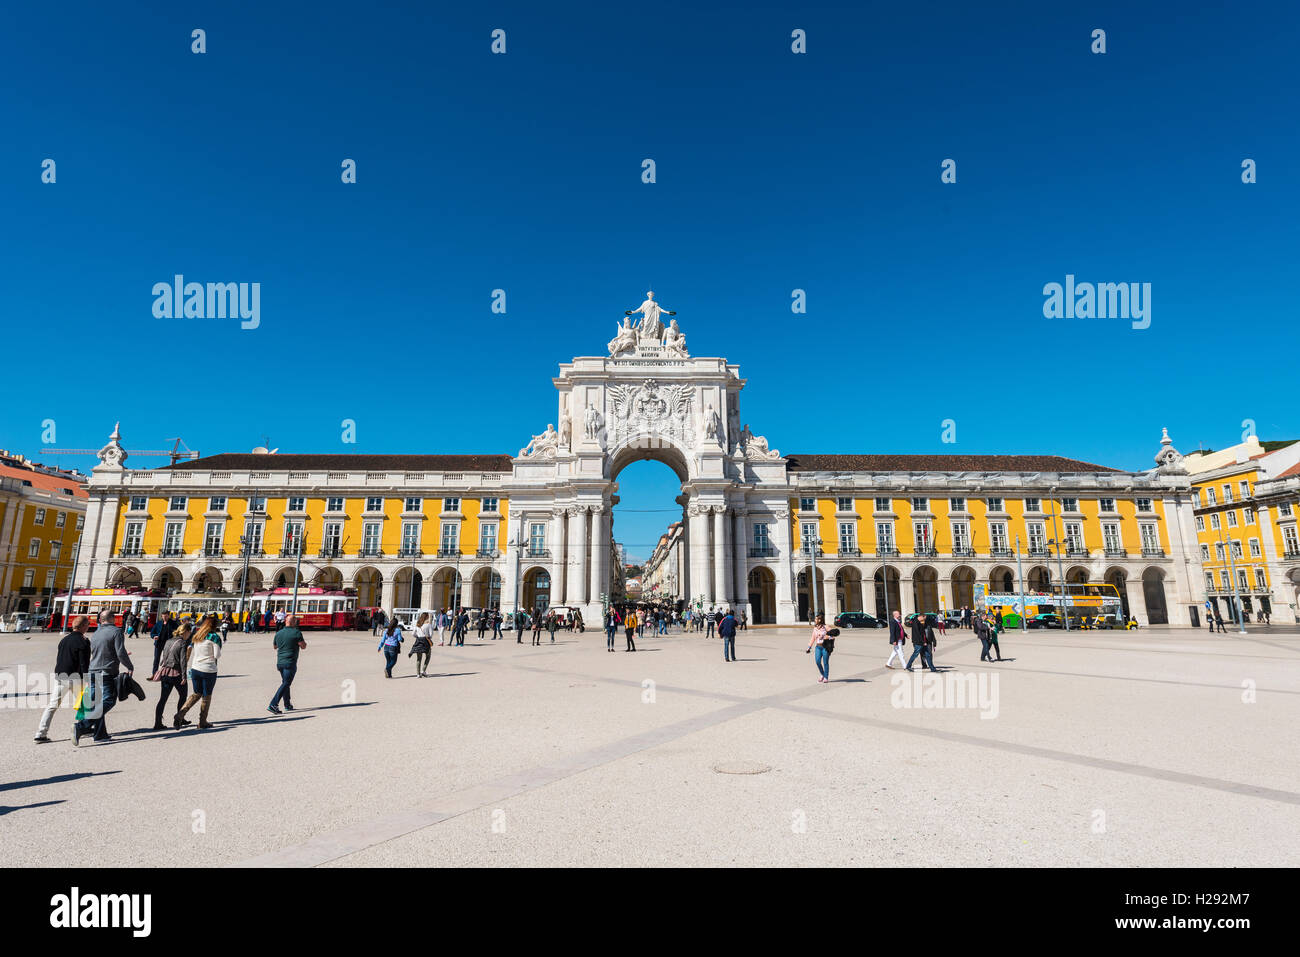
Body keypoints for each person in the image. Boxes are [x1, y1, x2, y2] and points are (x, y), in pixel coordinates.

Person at [73, 612, 134, 746]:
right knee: (109, 701)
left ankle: (100, 734)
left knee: (97, 703)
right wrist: (129, 666)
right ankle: (82, 726)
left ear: (101, 620)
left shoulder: (96, 633)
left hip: (93, 670)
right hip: (106, 672)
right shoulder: (116, 631)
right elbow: (120, 652)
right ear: (112, 618)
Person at [35, 614, 91, 743]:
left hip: (61, 676)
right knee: (84, 703)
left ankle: (40, 733)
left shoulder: (64, 640)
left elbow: (60, 658)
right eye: (87, 624)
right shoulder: (84, 641)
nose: (88, 627)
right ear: (82, 626)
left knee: (52, 705)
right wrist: (87, 679)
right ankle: (82, 727)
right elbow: (84, 663)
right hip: (76, 677)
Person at [175, 616, 222, 730]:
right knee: (206, 696)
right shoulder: (215, 637)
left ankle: (180, 714)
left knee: (196, 693)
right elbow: (217, 655)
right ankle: (202, 722)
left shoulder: (197, 635)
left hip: (195, 668)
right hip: (208, 669)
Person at [150, 620, 193, 730]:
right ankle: (179, 718)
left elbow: (163, 656)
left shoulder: (168, 641)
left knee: (163, 699)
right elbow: (183, 661)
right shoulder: (183, 643)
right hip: (177, 673)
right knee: (183, 696)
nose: (190, 635)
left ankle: (157, 722)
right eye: (189, 633)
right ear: (185, 632)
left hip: (165, 672)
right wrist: (184, 676)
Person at [268, 614, 307, 713]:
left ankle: (287, 704)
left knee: (285, 682)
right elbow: (303, 646)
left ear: (286, 621)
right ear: (294, 622)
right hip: (290, 662)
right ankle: (273, 704)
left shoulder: (279, 633)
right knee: (286, 683)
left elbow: (275, 647)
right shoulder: (297, 633)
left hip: (280, 662)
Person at [149, 611, 176, 676]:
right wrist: (154, 636)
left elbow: (177, 632)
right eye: (163, 616)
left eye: (166, 616)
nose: (164, 618)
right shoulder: (158, 623)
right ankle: (154, 674)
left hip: (168, 645)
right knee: (156, 659)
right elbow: (152, 632)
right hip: (158, 644)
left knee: (167, 660)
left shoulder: (173, 623)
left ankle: (165, 674)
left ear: (169, 616)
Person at [807, 614, 832, 683]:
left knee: (825, 662)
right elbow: (813, 638)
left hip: (825, 647)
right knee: (817, 662)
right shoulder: (815, 628)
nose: (815, 620)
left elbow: (833, 636)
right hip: (818, 647)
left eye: (816, 619)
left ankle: (826, 677)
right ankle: (822, 674)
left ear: (820, 620)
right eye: (815, 619)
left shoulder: (826, 627)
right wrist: (809, 647)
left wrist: (826, 637)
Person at [408, 612, 433, 676]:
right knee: (428, 656)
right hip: (426, 641)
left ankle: (418, 674)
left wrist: (418, 636)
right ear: (427, 617)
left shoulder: (418, 624)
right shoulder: (428, 625)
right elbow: (431, 635)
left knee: (419, 658)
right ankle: (423, 670)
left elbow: (413, 634)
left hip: (418, 641)